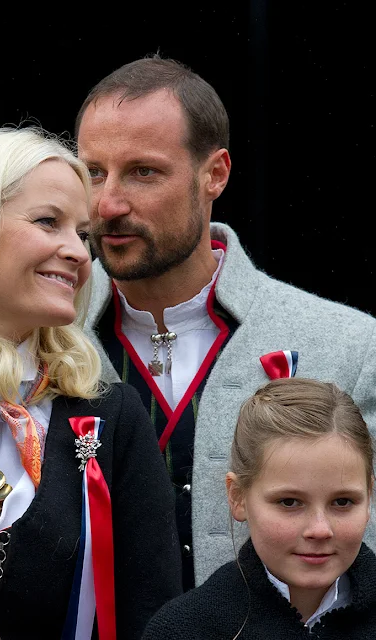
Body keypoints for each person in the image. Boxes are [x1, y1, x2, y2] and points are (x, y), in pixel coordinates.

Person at [75, 53, 376, 591]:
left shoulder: (353, 348)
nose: (108, 203)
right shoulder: (28, 340)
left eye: (143, 172)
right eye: (93, 172)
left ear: (214, 174)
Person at [0, 125, 182, 640]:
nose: (78, 252)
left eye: (82, 233)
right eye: (49, 222)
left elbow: (150, 617)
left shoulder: (109, 416)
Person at [142, 377, 376, 639]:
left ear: (369, 496)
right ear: (238, 497)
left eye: (342, 502)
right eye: (289, 502)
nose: (319, 530)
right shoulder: (183, 629)